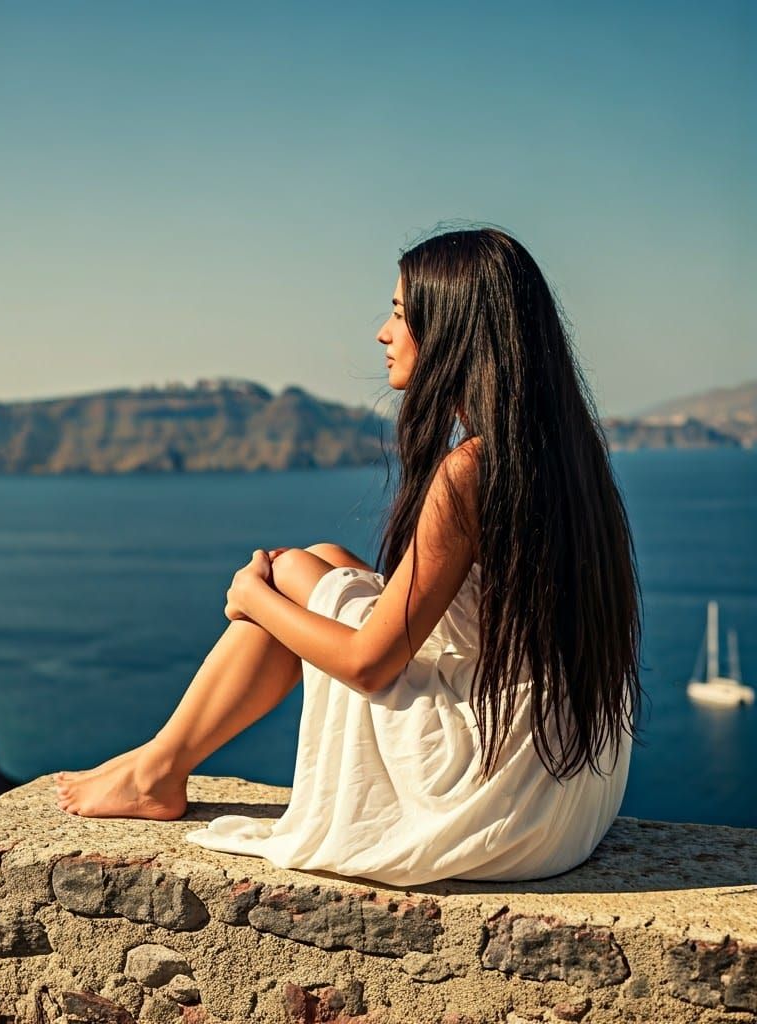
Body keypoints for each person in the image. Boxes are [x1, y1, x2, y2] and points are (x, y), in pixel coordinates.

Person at [54, 226, 645, 885]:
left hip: (496, 801)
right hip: (567, 793)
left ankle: (155, 773)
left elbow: (369, 666)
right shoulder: (562, 448)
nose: (383, 334)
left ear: (450, 328)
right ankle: (157, 763)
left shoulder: (470, 472)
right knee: (320, 560)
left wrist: (254, 600)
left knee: (282, 578)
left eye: (398, 313)